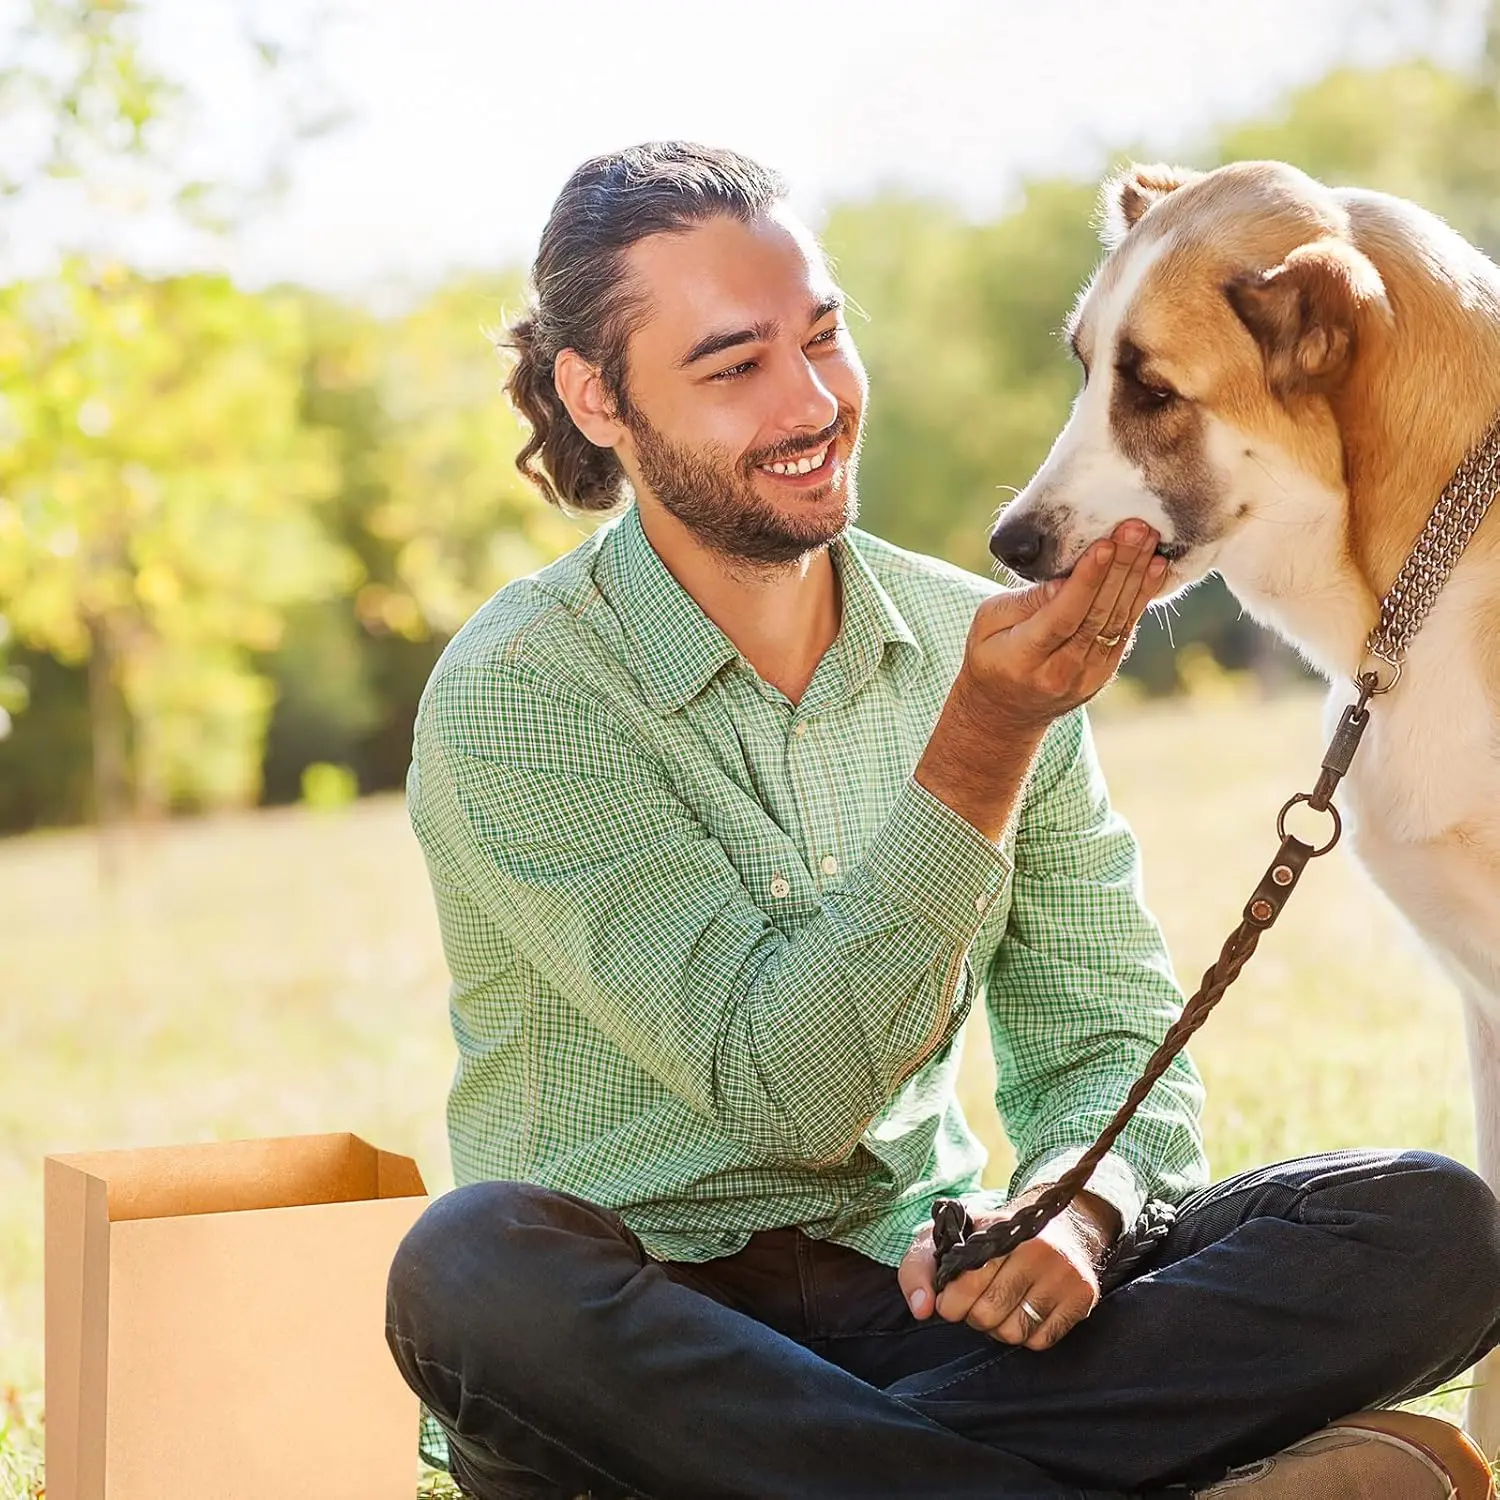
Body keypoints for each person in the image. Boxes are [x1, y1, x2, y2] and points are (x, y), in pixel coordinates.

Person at [385, 141, 1500, 1499]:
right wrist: (982, 742)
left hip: (929, 1319)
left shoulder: (969, 634)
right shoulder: (522, 692)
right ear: (596, 397)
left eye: (822, 337)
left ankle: (874, 1475)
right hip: (649, 1356)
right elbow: (785, 1099)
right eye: (734, 367)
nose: (811, 402)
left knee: (1430, 1229)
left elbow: (1105, 1038)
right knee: (471, 1270)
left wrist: (1077, 1207)